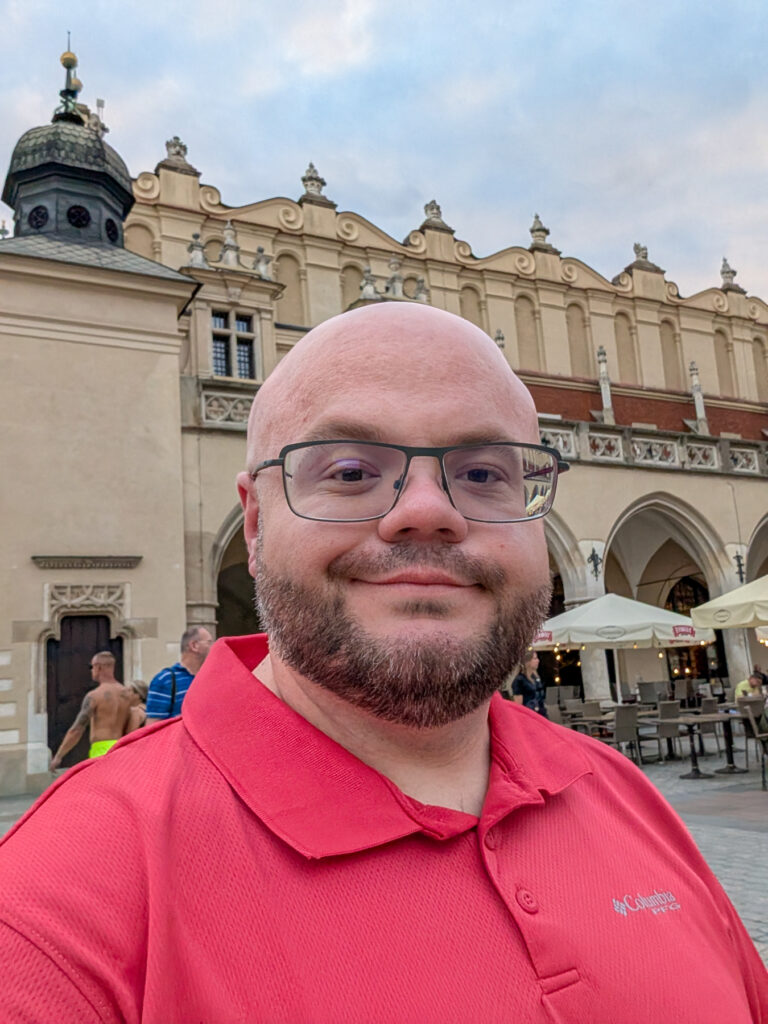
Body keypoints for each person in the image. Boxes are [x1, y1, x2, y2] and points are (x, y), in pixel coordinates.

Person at [1, 304, 766, 1023]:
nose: (427, 510)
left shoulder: (623, 793)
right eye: (349, 470)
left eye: (483, 473)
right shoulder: (54, 904)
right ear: (257, 520)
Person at [49, 650, 132, 768]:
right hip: (122, 747)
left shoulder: (94, 696)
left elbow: (77, 728)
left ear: (98, 667)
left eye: (91, 667)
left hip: (101, 749)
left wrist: (59, 756)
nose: (91, 671)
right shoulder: (128, 694)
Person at [144, 625, 213, 721]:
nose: (214, 647)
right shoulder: (165, 680)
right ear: (194, 646)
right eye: (209, 642)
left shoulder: (210, 678)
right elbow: (153, 726)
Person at [510, 650, 548, 717]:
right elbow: (519, 705)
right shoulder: (520, 680)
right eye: (535, 658)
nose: (538, 661)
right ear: (528, 661)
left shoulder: (535, 678)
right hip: (530, 714)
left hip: (541, 714)